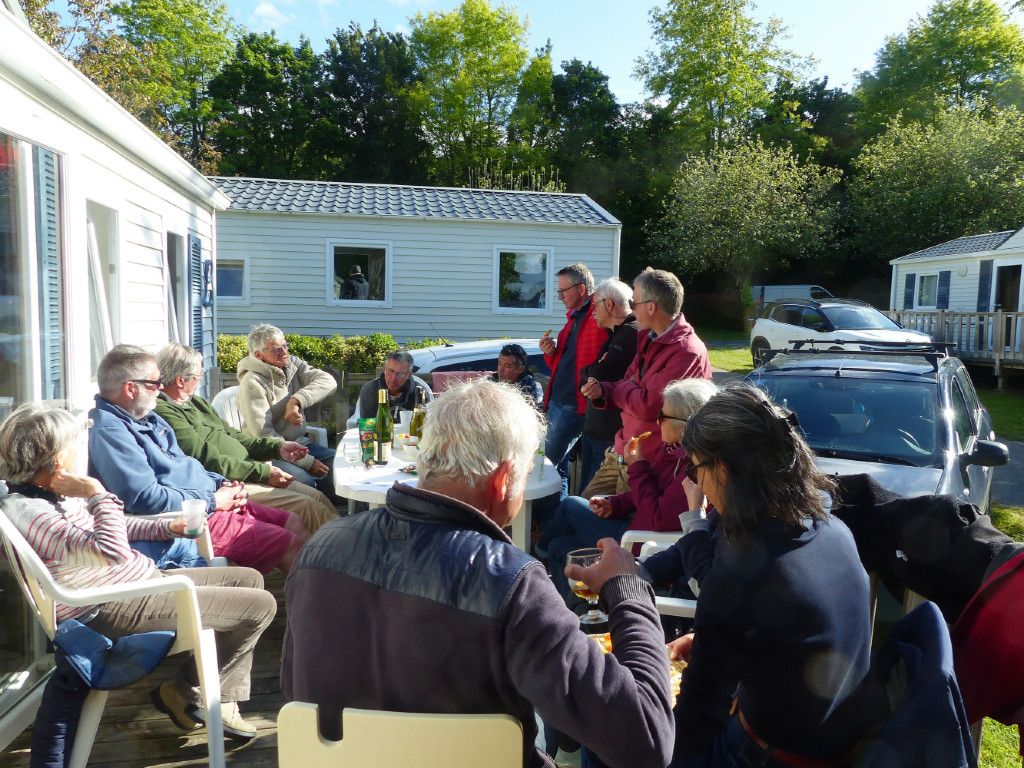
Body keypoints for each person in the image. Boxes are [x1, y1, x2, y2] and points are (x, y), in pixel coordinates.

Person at [281, 379, 675, 768]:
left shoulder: (319, 549)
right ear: (505, 480)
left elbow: (293, 690)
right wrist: (630, 591)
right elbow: (646, 740)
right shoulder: (512, 584)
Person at [0, 403, 277, 741]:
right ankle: (193, 692)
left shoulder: (49, 494)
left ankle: (200, 693)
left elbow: (107, 529)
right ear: (59, 458)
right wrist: (96, 494)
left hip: (138, 585)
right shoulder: (34, 513)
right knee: (260, 607)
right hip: (111, 606)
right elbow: (112, 553)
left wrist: (166, 528)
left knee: (247, 579)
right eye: (76, 444)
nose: (80, 452)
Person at [665, 384, 872, 767]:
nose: (700, 486)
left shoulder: (739, 574)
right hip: (843, 739)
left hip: (776, 754)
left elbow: (696, 719)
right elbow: (804, 631)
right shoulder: (833, 531)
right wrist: (716, 637)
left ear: (722, 469)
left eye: (697, 470)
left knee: (609, 739)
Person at [88, 344, 309, 575]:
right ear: (131, 389)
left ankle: (317, 592)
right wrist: (213, 500)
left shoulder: (147, 418)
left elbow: (186, 463)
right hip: (190, 520)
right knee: (288, 543)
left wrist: (220, 483)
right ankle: (308, 608)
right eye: (154, 383)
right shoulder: (111, 433)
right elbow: (144, 498)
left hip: (211, 501)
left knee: (293, 521)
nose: (161, 388)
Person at [538, 378, 717, 600]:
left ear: (684, 426)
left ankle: (533, 561)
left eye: (662, 416)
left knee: (569, 505)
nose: (657, 421)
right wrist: (616, 504)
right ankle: (574, 613)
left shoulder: (692, 468)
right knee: (560, 547)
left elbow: (658, 517)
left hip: (645, 544)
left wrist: (638, 466)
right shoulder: (672, 450)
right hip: (636, 527)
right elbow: (652, 491)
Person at [154, 343, 338, 532]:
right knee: (307, 507)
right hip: (228, 482)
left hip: (249, 470)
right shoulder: (164, 412)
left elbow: (234, 436)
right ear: (180, 381)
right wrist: (263, 473)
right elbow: (204, 458)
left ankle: (343, 547)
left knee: (317, 497)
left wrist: (276, 448)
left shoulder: (196, 403)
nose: (200, 379)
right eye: (198, 376)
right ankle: (330, 556)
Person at [581, 268, 711, 497]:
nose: (631, 309)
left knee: (611, 525)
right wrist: (603, 390)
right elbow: (627, 382)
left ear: (651, 307)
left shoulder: (686, 351)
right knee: (580, 509)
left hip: (647, 462)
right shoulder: (648, 338)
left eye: (635, 302)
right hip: (622, 451)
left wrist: (624, 389)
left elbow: (649, 405)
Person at [236, 324, 337, 498]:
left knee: (340, 464)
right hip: (270, 451)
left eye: (285, 346)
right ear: (258, 355)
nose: (284, 352)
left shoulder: (293, 365)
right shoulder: (252, 383)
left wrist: (296, 400)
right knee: (305, 482)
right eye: (276, 350)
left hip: (300, 444)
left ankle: (331, 511)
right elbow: (264, 435)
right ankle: (314, 517)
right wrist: (307, 462)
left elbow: (328, 381)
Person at [540, 263, 605, 497]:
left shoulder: (599, 315)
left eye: (563, 291)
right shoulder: (573, 318)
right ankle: (557, 516)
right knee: (558, 470)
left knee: (541, 467)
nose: (559, 297)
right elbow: (565, 365)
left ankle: (538, 521)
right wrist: (551, 353)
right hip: (558, 401)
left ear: (581, 289)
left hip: (573, 404)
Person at [577, 278, 641, 491]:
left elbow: (598, 372)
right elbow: (594, 373)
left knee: (591, 497)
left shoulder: (631, 333)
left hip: (607, 434)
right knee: (584, 492)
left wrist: (588, 371)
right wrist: (591, 371)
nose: (592, 311)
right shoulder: (617, 333)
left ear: (609, 304)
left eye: (594, 305)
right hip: (597, 429)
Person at [357, 349, 433, 419]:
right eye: (391, 371)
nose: (394, 378)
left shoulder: (419, 392)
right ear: (384, 369)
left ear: (408, 375)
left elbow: (424, 425)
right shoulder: (369, 390)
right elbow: (367, 425)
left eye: (400, 374)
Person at [491, 342, 543, 407]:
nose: (501, 370)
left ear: (520, 369)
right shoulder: (490, 384)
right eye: (499, 364)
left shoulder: (532, 386)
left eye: (507, 366)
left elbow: (538, 413)